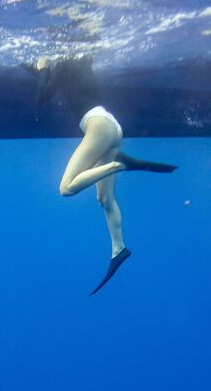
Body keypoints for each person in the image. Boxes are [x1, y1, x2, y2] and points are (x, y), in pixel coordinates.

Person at [29, 55, 177, 295]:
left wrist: (44, 68)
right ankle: (119, 249)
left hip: (97, 126)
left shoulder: (63, 65)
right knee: (105, 198)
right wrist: (39, 70)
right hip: (111, 125)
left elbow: (43, 96)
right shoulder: (78, 64)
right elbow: (62, 83)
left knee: (66, 188)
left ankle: (120, 164)